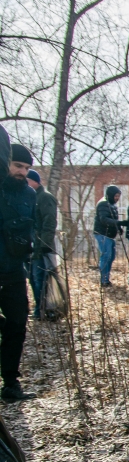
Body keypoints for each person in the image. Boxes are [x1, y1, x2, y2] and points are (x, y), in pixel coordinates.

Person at [0, 136, 38, 402]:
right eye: (17, 165)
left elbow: (30, 229)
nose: (22, 172)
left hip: (14, 270)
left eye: (26, 167)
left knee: (17, 324)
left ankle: (10, 383)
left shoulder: (30, 194)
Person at [26, 169, 58, 318]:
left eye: (27, 180)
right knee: (33, 279)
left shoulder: (45, 197)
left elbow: (49, 221)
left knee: (41, 279)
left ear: (35, 181)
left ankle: (44, 310)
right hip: (30, 246)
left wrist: (45, 244)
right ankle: (39, 309)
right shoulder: (29, 196)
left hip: (42, 246)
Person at [93, 185, 127, 286]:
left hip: (110, 235)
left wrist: (119, 228)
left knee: (111, 257)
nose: (117, 198)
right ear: (111, 195)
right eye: (116, 196)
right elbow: (104, 219)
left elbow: (113, 218)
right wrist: (119, 223)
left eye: (118, 196)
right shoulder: (103, 204)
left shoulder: (112, 204)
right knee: (106, 256)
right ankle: (104, 280)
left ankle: (106, 278)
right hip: (103, 234)